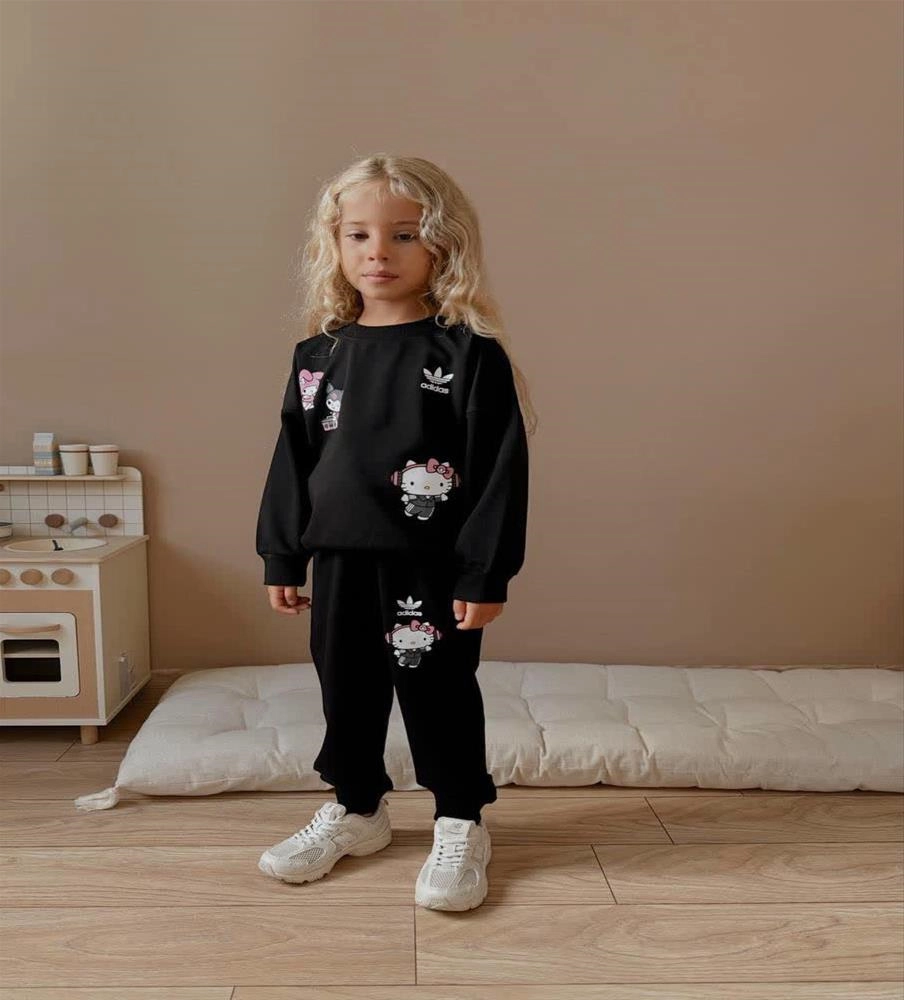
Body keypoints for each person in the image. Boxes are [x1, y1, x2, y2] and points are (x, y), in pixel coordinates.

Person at [254, 154, 536, 912]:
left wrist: (484, 572)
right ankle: (357, 808)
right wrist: (282, 552)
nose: (378, 251)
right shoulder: (318, 356)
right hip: (339, 559)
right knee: (345, 689)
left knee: (438, 692)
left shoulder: (468, 355)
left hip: (431, 566)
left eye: (404, 235)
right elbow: (293, 459)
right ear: (336, 245)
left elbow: (499, 470)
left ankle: (460, 818)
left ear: (441, 244)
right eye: (358, 235)